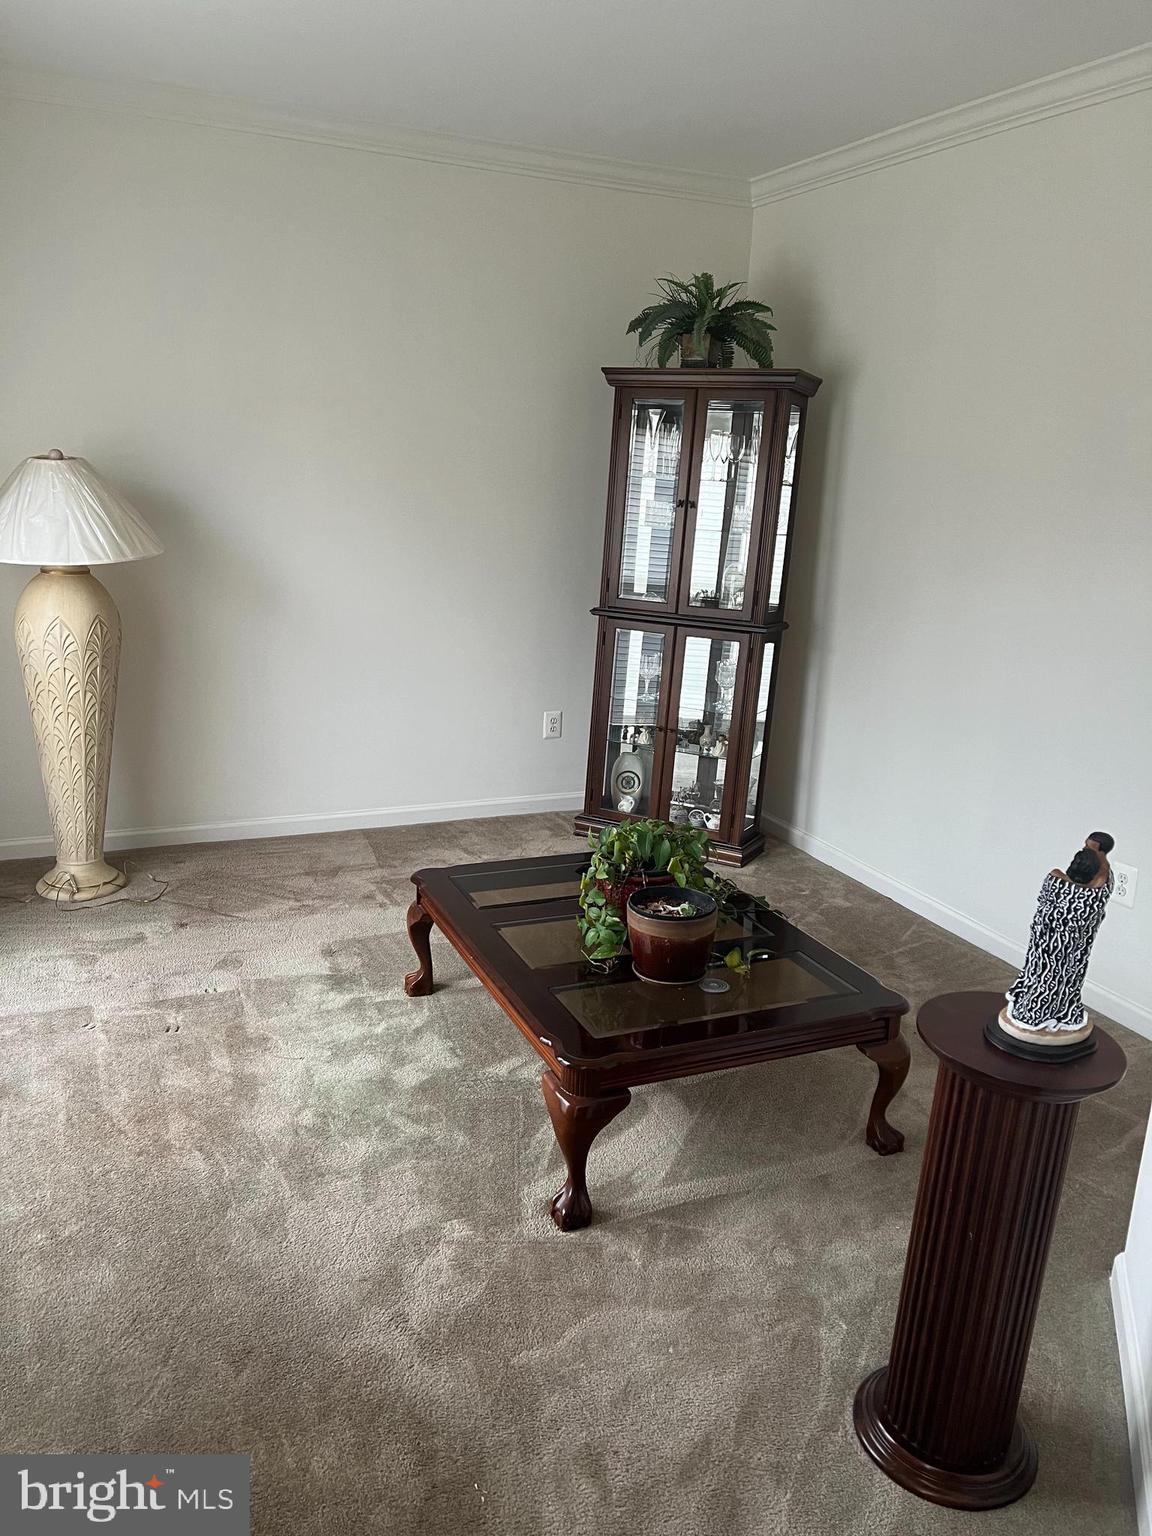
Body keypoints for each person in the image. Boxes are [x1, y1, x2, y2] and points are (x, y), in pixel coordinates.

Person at [1003, 833, 1115, 1038]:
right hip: (1061, 942)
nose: (1084, 848)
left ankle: (1034, 1012)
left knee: (1049, 974)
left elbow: (1060, 885)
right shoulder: (1099, 882)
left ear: (1100, 850)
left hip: (1058, 943)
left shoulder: (1083, 879)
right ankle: (1040, 1005)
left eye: (1089, 846)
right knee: (1049, 972)